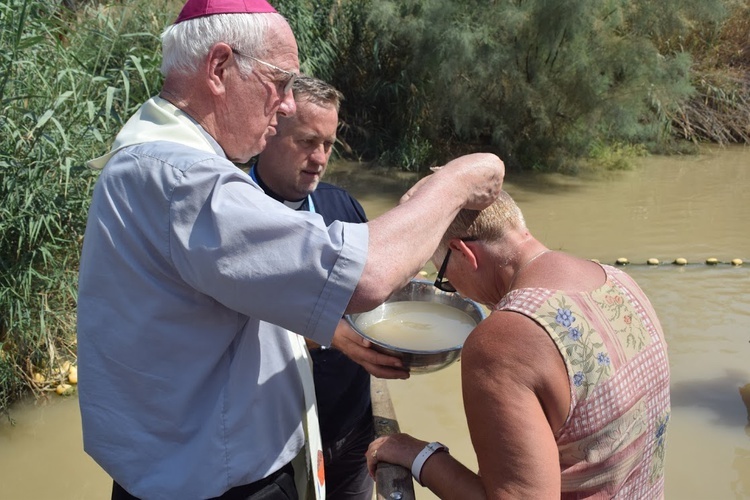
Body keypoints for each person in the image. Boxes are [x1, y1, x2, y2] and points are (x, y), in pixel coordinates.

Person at [75, 0, 505, 499]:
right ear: (218, 68)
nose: (284, 105)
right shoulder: (183, 178)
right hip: (214, 485)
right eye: (278, 81)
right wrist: (456, 182)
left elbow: (235, 296)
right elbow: (368, 275)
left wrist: (337, 334)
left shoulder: (156, 159)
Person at [366, 191, 671, 499]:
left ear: (463, 252)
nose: (453, 288)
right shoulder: (622, 283)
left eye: (443, 276)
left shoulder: (501, 342)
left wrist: (419, 456)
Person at [252, 75, 375, 500]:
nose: (320, 158)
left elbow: (369, 294)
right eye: (307, 141)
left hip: (353, 424)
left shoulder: (344, 207)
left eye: (328, 143)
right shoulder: (234, 214)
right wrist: (331, 334)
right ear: (269, 132)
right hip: (275, 444)